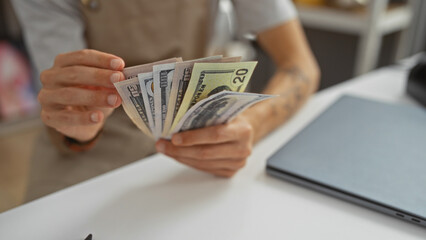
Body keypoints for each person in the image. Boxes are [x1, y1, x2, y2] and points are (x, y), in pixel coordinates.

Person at [12, 0, 320, 201]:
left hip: (198, 133)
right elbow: (66, 101)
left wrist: (250, 124)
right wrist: (76, 121)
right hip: (96, 149)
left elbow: (300, 65)